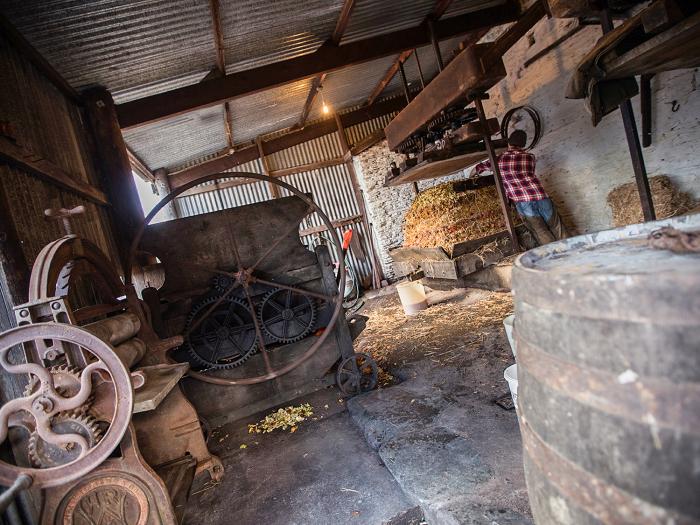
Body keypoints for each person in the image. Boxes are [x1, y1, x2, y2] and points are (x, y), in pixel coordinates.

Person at [470, 130, 568, 245]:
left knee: (541, 231)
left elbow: (477, 168)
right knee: (558, 227)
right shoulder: (530, 157)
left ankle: (557, 258)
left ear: (509, 143)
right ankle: (576, 253)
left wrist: (471, 177)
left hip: (523, 202)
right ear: (523, 144)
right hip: (541, 196)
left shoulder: (499, 159)